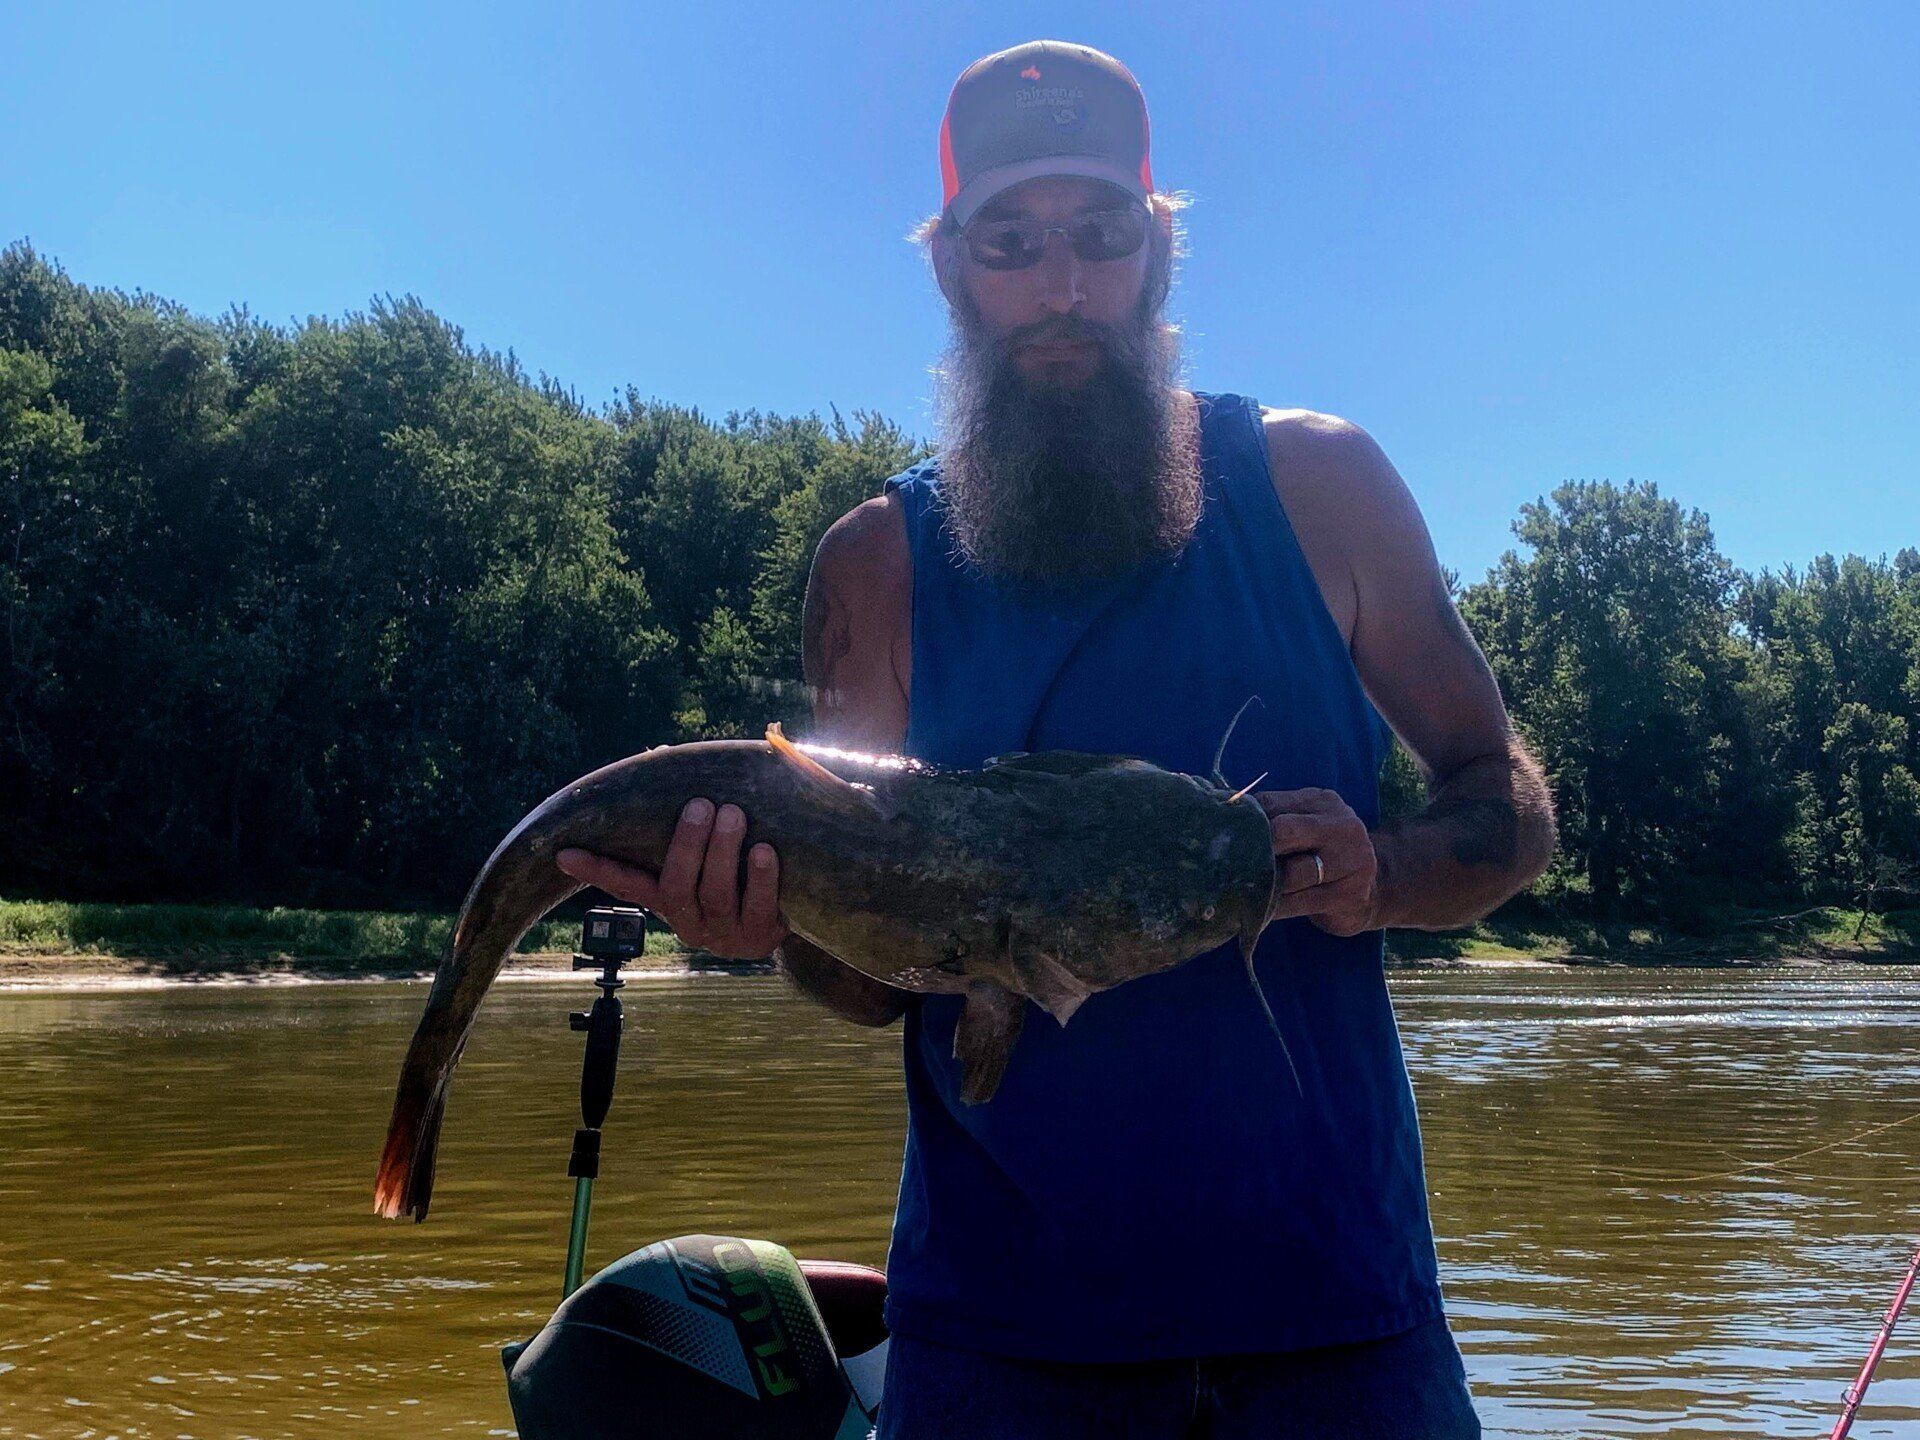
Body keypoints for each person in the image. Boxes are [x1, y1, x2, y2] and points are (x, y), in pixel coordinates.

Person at [557, 38, 1555, 1439]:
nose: (1061, 288)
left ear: (1158, 254)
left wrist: (1387, 871)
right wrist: (774, 927)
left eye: (1098, 234)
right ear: (950, 268)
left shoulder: (1324, 486)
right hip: (1000, 1352)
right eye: (1011, 242)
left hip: (1343, 1329)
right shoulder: (875, 569)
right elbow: (885, 983)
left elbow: (1507, 805)